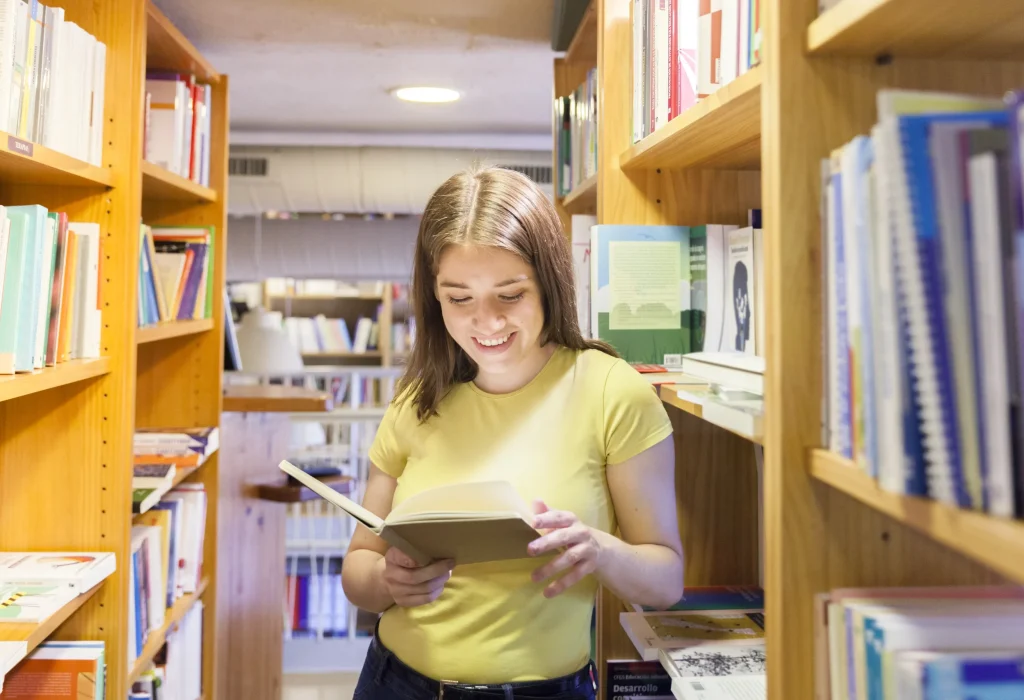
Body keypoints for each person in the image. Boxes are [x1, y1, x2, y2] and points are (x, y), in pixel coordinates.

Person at [341, 166, 684, 700]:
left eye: (510, 294)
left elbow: (666, 582)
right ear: (434, 298)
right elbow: (358, 568)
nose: (488, 323)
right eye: (459, 299)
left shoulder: (611, 392)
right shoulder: (417, 401)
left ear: (548, 282)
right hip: (397, 682)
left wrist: (599, 550)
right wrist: (388, 579)